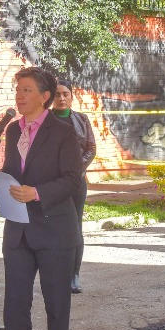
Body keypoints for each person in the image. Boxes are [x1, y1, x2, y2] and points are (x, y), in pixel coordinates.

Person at [0, 67, 83, 330]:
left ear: (44, 96)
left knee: (57, 303)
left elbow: (73, 180)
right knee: (15, 303)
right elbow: (16, 173)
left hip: (55, 229)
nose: (19, 95)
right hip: (18, 231)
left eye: (26, 90)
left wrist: (37, 193)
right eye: (17, 89)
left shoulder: (64, 132)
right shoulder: (12, 131)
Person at [51, 80, 97, 294]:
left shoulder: (82, 119)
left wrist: (76, 170)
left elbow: (91, 148)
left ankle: (73, 275)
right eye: (57, 94)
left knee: (74, 227)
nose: (61, 98)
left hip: (77, 181)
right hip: (51, 183)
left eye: (65, 94)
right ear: (50, 97)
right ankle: (54, 275)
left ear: (72, 96)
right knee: (52, 227)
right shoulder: (43, 120)